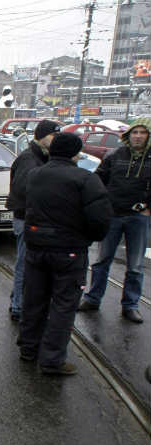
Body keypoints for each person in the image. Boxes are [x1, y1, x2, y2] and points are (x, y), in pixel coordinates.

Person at [18, 133, 112, 375]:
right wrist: (87, 237)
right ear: (75, 153)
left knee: (34, 300)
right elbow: (100, 219)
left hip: (37, 247)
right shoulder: (86, 179)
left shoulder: (35, 174)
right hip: (69, 250)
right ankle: (52, 360)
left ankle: (28, 348)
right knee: (63, 305)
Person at [78, 118, 151, 323]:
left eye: (142, 133)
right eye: (134, 132)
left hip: (138, 217)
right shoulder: (115, 155)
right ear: (128, 135)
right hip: (113, 215)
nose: (138, 136)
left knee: (135, 265)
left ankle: (130, 305)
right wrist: (100, 205)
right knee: (102, 260)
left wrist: (148, 208)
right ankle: (93, 298)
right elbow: (99, 180)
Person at [5, 119, 61, 321]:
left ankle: (18, 299)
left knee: (29, 263)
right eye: (53, 135)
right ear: (41, 136)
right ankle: (18, 306)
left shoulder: (43, 156)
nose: (55, 139)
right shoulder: (30, 158)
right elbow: (23, 189)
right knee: (25, 264)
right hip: (27, 218)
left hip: (33, 217)